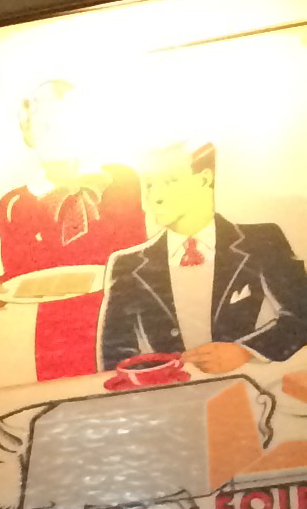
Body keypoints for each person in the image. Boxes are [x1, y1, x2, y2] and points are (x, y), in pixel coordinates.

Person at [0, 80, 142, 381]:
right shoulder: (15, 204)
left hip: (120, 318)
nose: (55, 131)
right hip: (58, 330)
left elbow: (139, 254)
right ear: (28, 132)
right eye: (44, 123)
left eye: (66, 119)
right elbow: (22, 272)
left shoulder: (120, 181)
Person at [97, 139, 307, 372]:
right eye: (149, 185)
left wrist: (244, 351)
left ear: (204, 180)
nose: (155, 196)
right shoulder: (128, 264)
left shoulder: (261, 241)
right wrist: (161, 374)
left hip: (244, 384)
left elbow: (302, 315)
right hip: (167, 390)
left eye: (170, 181)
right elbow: (115, 355)